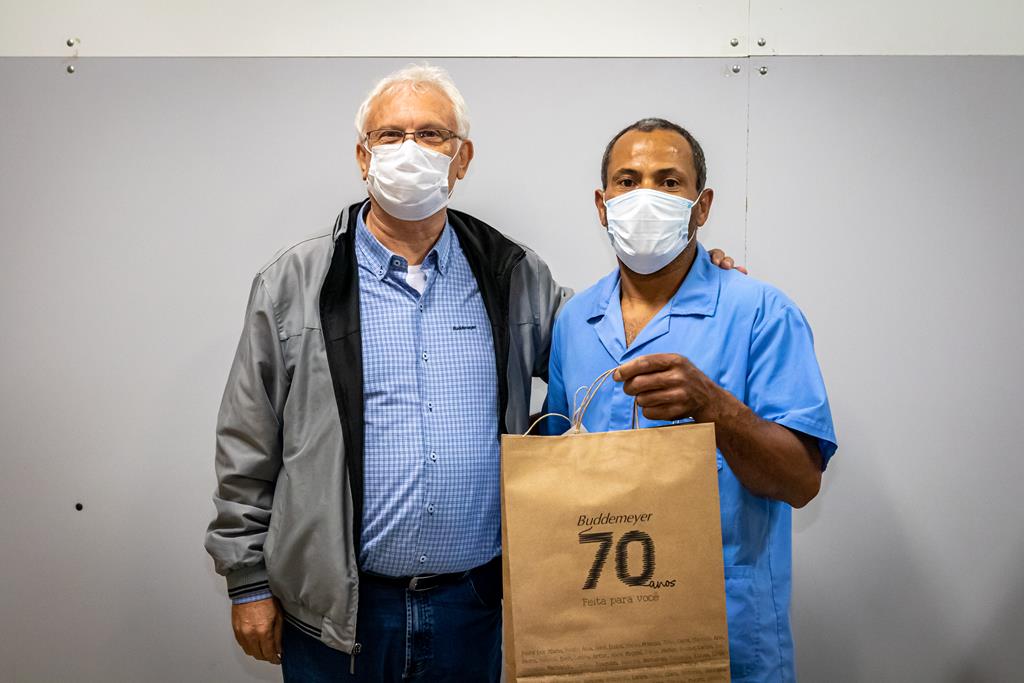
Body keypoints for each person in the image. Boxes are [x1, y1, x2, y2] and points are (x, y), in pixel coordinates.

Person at [204, 65, 741, 682]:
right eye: (390, 135)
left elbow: (604, 338)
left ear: (461, 160)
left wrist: (689, 274)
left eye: (432, 135)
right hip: (336, 613)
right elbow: (246, 441)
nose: (410, 150)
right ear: (362, 156)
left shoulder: (512, 275)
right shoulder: (295, 284)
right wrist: (247, 581)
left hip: (471, 606)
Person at [543, 118, 838, 682]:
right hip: (597, 630)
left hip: (727, 633)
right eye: (627, 180)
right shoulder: (576, 321)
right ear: (602, 206)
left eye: (669, 181)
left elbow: (801, 483)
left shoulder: (762, 314)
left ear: (701, 207)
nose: (645, 195)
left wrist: (712, 405)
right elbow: (560, 476)